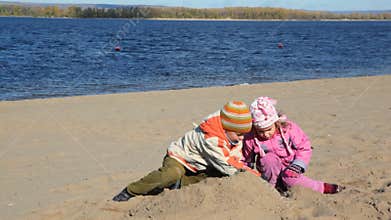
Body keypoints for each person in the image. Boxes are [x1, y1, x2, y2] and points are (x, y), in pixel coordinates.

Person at [113, 100, 260, 202]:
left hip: (200, 163)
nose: (242, 138)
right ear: (227, 128)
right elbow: (225, 164)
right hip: (179, 158)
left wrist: (247, 169)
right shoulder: (211, 139)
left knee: (217, 176)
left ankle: (179, 184)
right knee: (171, 174)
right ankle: (131, 191)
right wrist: (249, 176)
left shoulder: (232, 131)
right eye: (239, 134)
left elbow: (233, 158)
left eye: (244, 134)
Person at [242, 96, 343, 194]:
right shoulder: (250, 138)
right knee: (268, 159)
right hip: (269, 172)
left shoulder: (289, 129)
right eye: (260, 131)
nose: (265, 134)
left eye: (269, 129)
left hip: (291, 167)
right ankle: (273, 189)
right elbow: (246, 160)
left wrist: (298, 165)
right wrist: (245, 174)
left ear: (276, 122)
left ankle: (322, 187)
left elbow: (304, 147)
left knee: (290, 179)